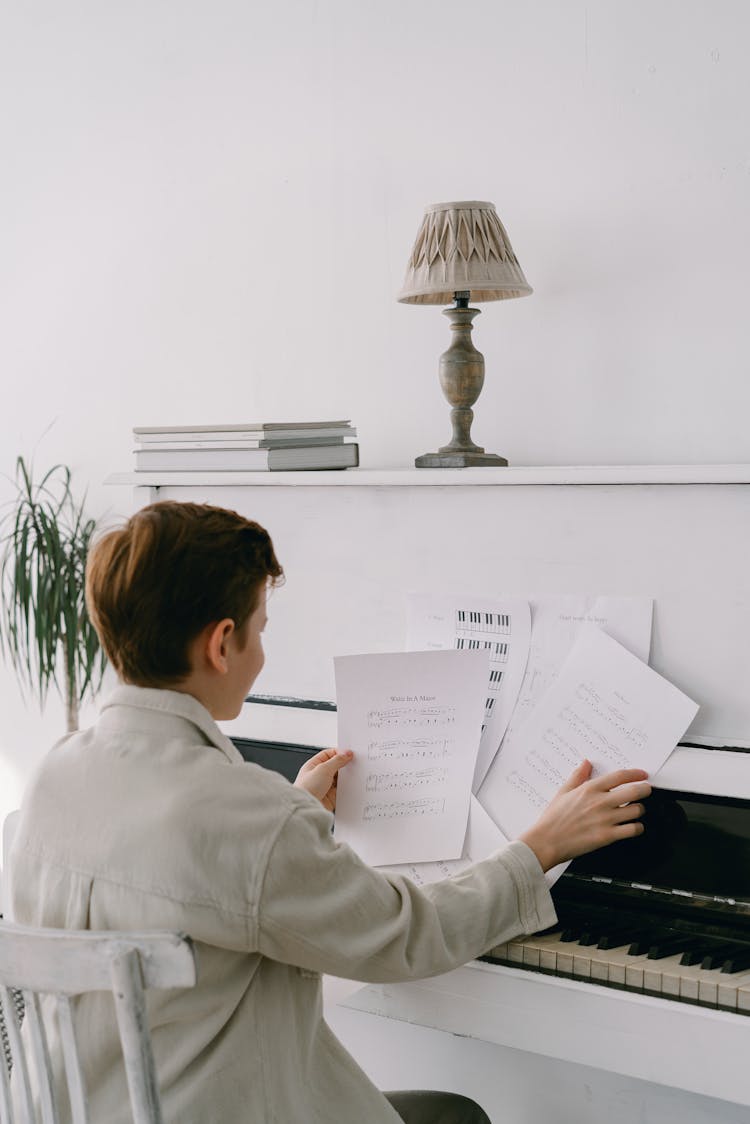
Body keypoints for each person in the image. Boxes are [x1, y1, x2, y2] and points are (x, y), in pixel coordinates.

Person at [10, 502, 651, 1124]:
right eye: (261, 628)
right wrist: (539, 845)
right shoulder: (246, 816)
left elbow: (184, 861)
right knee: (456, 1114)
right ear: (221, 643)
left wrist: (288, 807)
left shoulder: (51, 779)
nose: (262, 653)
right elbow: (408, 935)